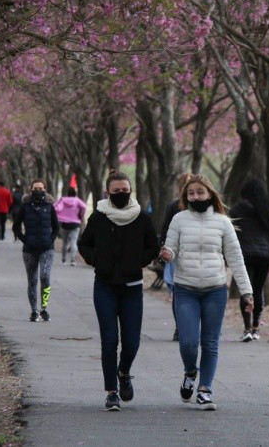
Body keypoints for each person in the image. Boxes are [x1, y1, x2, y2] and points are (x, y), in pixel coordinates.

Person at [159, 174, 253, 411]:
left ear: (210, 193)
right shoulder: (179, 219)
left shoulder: (223, 222)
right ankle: (190, 372)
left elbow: (236, 259)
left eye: (200, 192)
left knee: (210, 343)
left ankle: (205, 390)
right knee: (189, 342)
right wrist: (168, 253)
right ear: (186, 196)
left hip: (215, 290)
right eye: (191, 193)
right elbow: (170, 246)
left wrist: (247, 292)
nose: (196, 196)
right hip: (186, 289)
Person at [77, 169, 158, 411]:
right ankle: (111, 392)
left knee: (132, 342)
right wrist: (96, 261)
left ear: (130, 191)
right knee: (109, 340)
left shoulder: (141, 217)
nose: (121, 194)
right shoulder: (99, 216)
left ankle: (123, 372)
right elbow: (84, 243)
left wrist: (139, 262)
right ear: (107, 193)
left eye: (125, 190)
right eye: (116, 191)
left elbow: (153, 245)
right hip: (105, 286)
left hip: (132, 287)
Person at [228, 178, 269, 342]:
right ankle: (255, 327)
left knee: (246, 291)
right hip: (265, 256)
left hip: (244, 255)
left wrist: (226, 255)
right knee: (258, 289)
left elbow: (228, 232)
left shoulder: (236, 210)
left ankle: (247, 328)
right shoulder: (267, 209)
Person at [13, 179, 59, 323]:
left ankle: (44, 308)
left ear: (45, 189)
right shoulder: (25, 206)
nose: (38, 190)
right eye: (36, 188)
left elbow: (56, 226)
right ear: (31, 189)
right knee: (32, 280)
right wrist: (25, 239)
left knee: (45, 277)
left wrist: (51, 240)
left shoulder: (50, 206)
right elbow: (16, 226)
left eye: (41, 188)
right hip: (29, 249)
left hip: (47, 248)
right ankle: (34, 311)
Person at [159, 172, 193, 342]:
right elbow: (165, 230)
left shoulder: (175, 206)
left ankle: (181, 327)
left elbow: (164, 230)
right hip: (179, 254)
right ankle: (182, 327)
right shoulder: (174, 206)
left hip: (180, 254)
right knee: (182, 292)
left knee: (179, 292)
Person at [53, 187, 87, 266]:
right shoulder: (77, 200)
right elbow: (84, 207)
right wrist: (81, 215)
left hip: (64, 224)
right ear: (75, 193)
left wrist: (59, 214)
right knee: (73, 242)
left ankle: (64, 259)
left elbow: (55, 207)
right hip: (75, 224)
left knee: (65, 242)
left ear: (67, 193)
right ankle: (73, 260)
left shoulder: (62, 199)